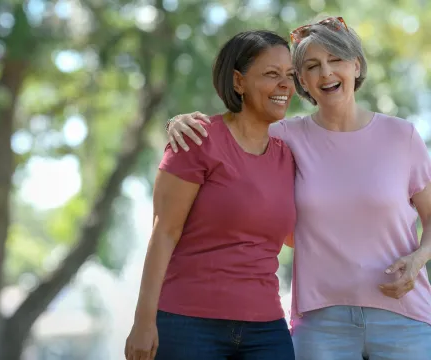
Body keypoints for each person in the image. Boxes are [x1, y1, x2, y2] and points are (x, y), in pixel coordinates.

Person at [164, 16, 431, 360]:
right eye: (312, 66)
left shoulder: (402, 136)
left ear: (356, 65)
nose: (326, 73)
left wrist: (418, 259)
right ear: (300, 79)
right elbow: (227, 133)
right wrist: (179, 121)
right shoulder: (283, 137)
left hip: (404, 317)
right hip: (321, 323)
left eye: (336, 60)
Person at [125, 30, 297, 360]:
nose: (285, 86)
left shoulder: (289, 155)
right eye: (271, 74)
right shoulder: (197, 140)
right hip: (188, 324)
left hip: (266, 328)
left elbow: (294, 237)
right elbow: (163, 233)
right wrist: (143, 322)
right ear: (238, 81)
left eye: (289, 76)